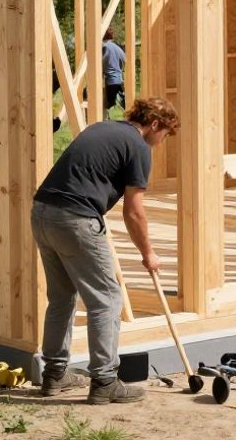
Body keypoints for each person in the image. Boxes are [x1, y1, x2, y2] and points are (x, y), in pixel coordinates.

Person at [32, 97, 179, 403]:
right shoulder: (139, 147)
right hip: (75, 219)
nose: (162, 141)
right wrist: (148, 252)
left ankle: (54, 375)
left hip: (43, 212)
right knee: (107, 299)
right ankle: (105, 381)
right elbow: (134, 212)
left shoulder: (103, 127)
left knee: (61, 299)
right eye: (164, 134)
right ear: (154, 125)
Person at [100, 29, 126, 116]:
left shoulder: (105, 47)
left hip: (110, 81)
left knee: (105, 106)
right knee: (123, 104)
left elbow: (100, 63)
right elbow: (125, 60)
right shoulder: (117, 48)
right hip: (119, 80)